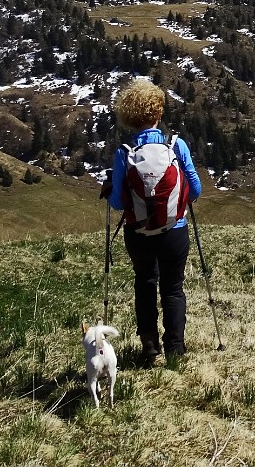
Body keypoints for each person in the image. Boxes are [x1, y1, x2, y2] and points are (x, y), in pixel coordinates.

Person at [99, 78, 201, 367]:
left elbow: (118, 202)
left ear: (130, 117)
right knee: (173, 287)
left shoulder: (124, 153)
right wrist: (179, 200)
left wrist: (110, 191)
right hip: (175, 229)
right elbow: (195, 189)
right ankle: (175, 349)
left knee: (145, 283)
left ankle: (149, 345)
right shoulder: (176, 145)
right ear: (158, 112)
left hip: (139, 233)